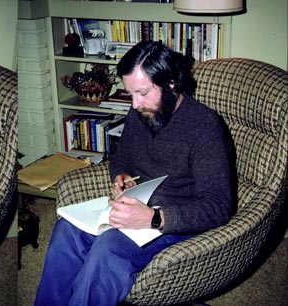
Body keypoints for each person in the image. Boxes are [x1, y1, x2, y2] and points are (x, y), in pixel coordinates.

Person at [35, 40, 234, 306]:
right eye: (130, 94)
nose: (135, 104)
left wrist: (153, 218)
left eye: (142, 93)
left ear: (171, 83)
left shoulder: (205, 127)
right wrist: (121, 176)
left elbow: (218, 207)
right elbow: (122, 157)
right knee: (66, 229)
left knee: (108, 250)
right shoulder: (140, 111)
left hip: (175, 222)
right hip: (136, 205)